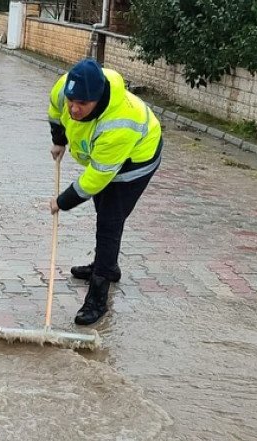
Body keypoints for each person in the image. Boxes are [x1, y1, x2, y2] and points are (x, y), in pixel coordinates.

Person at [48, 58, 163, 325]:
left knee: (109, 221)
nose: (74, 109)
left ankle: (98, 298)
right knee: (103, 209)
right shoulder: (65, 88)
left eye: (82, 104)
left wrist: (61, 202)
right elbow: (55, 111)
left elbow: (94, 180)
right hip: (105, 161)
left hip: (136, 160)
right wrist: (58, 140)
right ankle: (106, 265)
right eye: (71, 101)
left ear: (97, 99)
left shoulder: (119, 125)